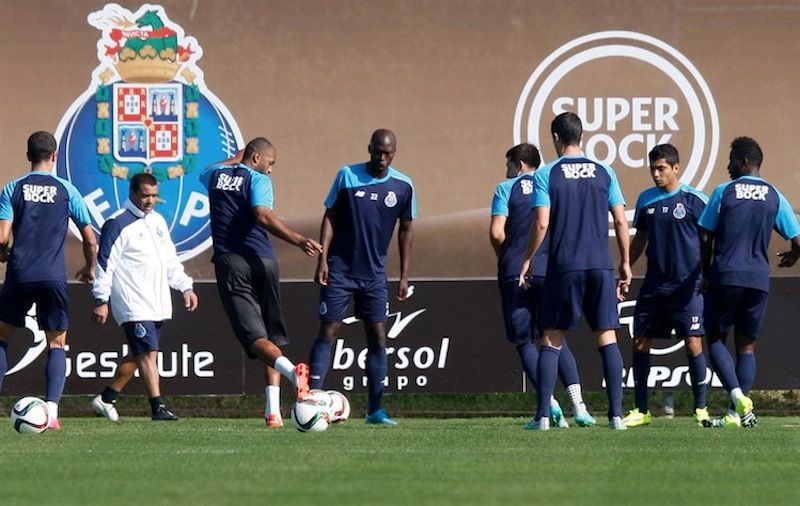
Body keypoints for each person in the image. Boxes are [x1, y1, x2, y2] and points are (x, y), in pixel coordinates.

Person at [518, 112, 631, 430]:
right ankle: (616, 416)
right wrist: (624, 262)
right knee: (607, 337)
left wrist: (527, 259)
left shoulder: (546, 174)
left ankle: (542, 417)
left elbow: (542, 222)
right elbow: (621, 221)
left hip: (564, 266)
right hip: (600, 265)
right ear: (581, 136)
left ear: (555, 137)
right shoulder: (605, 171)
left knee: (551, 339)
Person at [200, 137, 322, 428]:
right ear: (256, 158)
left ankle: (293, 374)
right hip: (264, 262)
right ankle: (273, 413)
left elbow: (210, 169)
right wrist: (298, 239)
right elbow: (262, 215)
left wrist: (237, 157)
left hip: (232, 263)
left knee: (256, 340)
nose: (270, 170)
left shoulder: (214, 176)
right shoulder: (258, 180)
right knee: (270, 337)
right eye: (270, 163)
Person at [307, 128, 416, 426]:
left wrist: (404, 275)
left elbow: (406, 230)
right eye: (377, 151)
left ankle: (375, 410)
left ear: (394, 153)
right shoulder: (347, 176)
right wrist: (323, 260)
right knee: (329, 330)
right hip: (341, 270)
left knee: (378, 338)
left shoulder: (403, 186)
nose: (382, 157)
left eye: (387, 153)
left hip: (375, 276)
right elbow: (330, 216)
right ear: (369, 148)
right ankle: (312, 398)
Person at [490, 143, 596, 428]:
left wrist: (510, 256)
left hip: (516, 272)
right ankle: (580, 406)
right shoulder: (552, 183)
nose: (507, 171)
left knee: (524, 340)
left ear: (520, 165)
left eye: (509, 165)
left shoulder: (506, 188)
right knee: (555, 338)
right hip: (551, 272)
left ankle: (549, 406)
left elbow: (497, 232)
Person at [698, 137, 800, 428]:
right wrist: (793, 255)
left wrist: (705, 272)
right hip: (758, 280)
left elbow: (705, 234)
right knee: (747, 348)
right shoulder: (774, 195)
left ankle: (738, 398)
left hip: (726, 276)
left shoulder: (723, 192)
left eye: (731, 160)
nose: (727, 166)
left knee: (716, 339)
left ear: (743, 162)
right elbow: (798, 240)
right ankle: (734, 415)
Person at [0, 131, 97, 430]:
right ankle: (52, 411)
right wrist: (89, 267)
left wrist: (4, 253)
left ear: (28, 155)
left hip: (20, 273)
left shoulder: (12, 189)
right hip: (53, 277)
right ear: (54, 156)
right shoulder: (67, 190)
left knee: (2, 338)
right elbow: (91, 239)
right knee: (57, 344)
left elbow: (2, 237)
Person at [90, 173, 199, 422]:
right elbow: (105, 264)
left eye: (153, 195)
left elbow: (170, 260)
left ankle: (107, 397)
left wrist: (185, 287)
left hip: (156, 300)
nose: (150, 200)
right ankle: (157, 407)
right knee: (148, 352)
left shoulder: (158, 221)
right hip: (132, 300)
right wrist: (100, 300)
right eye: (145, 195)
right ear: (132, 194)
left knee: (141, 353)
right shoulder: (116, 223)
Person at [620, 144, 710, 427]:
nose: (656, 174)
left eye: (661, 169)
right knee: (640, 342)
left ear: (676, 168)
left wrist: (710, 274)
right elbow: (640, 240)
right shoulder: (646, 200)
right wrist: (625, 266)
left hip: (688, 287)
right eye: (652, 169)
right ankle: (642, 410)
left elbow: (711, 240)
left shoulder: (696, 200)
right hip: (654, 286)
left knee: (694, 344)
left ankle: (701, 408)